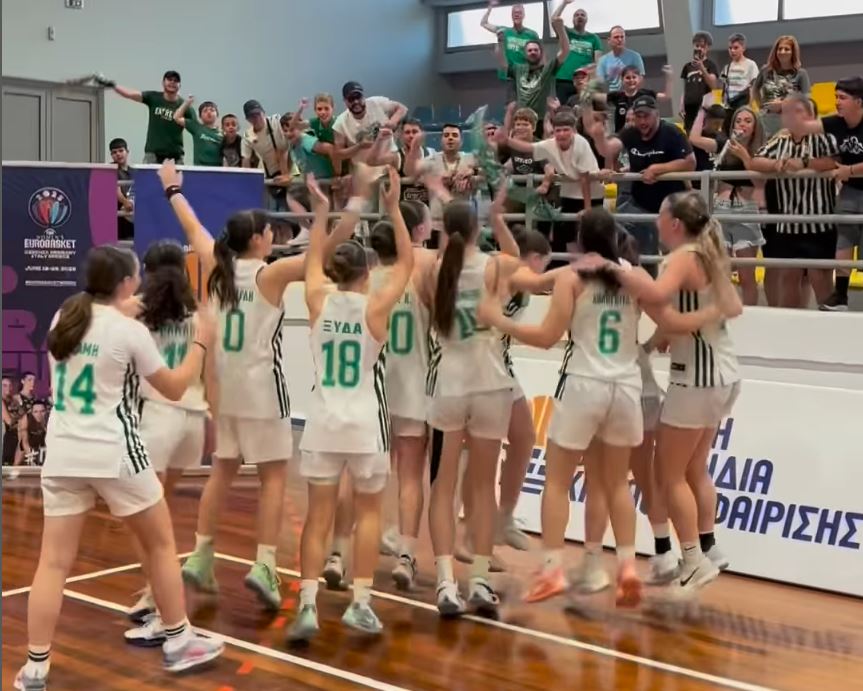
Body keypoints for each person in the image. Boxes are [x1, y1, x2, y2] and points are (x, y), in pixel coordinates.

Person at [481, 209, 731, 604]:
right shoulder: (634, 276)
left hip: (585, 384)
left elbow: (546, 337)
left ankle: (552, 570)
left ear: (580, 240)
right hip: (627, 388)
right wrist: (714, 311)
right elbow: (669, 319)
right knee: (617, 484)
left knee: (557, 481)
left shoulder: (572, 277)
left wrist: (501, 321)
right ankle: (628, 567)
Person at [13, 245, 222, 690]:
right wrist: (201, 341)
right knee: (161, 545)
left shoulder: (64, 317)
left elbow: (105, 322)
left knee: (53, 564)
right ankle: (179, 641)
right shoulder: (129, 332)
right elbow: (174, 388)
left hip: (63, 454)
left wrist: (127, 307)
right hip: (115, 451)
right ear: (126, 282)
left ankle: (34, 668)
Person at [155, 160, 324, 613]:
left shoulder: (217, 265)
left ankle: (202, 553)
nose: (274, 236)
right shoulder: (271, 274)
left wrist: (172, 189)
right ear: (258, 240)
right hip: (264, 392)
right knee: (273, 478)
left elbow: (191, 225)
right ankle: (264, 564)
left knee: (223, 471)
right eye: (270, 231)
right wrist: (324, 214)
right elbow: (323, 255)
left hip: (224, 391)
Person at [288, 167, 413, 641]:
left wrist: (321, 212)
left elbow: (312, 259)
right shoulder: (376, 307)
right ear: (366, 274)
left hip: (322, 422)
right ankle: (360, 603)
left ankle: (306, 604)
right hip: (364, 424)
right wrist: (394, 207)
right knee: (369, 514)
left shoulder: (316, 298)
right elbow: (406, 263)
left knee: (317, 517)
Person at [606, 192, 744, 593]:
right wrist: (658, 339)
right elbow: (722, 308)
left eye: (660, 216)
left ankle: (693, 560)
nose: (655, 222)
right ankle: (709, 546)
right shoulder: (709, 253)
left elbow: (656, 297)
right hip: (725, 373)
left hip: (696, 379)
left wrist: (627, 274)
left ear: (675, 223)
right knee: (695, 468)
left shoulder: (682, 257)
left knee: (669, 476)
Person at [423, 191, 524, 618]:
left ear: (444, 231)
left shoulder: (434, 270)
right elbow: (519, 258)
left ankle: (446, 581)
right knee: (484, 487)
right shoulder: (495, 265)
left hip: (449, 380)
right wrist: (499, 219)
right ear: (476, 230)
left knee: (442, 488)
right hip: (491, 383)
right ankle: (480, 579)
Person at [123, 240, 217, 635]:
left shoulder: (137, 311)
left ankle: (157, 596)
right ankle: (157, 591)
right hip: (193, 418)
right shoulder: (198, 313)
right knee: (161, 512)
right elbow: (210, 373)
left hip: (156, 416)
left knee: (144, 519)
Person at [368, 203, 437, 590]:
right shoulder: (423, 268)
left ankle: (343, 549)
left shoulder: (366, 277)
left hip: (376, 391)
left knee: (369, 472)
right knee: (411, 476)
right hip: (413, 388)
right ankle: (407, 555)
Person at [748, 94, 838, 308]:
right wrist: (775, 165)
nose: (787, 117)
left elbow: (834, 161)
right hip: (788, 224)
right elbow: (755, 160)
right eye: (786, 113)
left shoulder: (824, 138)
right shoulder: (781, 140)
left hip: (819, 223)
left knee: (820, 278)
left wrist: (804, 162)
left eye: (794, 112)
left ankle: (829, 322)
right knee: (788, 276)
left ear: (808, 114)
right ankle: (792, 323)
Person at [589, 95, 696, 261]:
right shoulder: (631, 132)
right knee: (643, 254)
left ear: (657, 114)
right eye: (638, 116)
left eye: (646, 116)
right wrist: (599, 136)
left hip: (672, 206)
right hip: (641, 204)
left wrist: (657, 169)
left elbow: (690, 163)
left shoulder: (671, 132)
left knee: (676, 256)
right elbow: (608, 150)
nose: (642, 121)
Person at [690, 106, 766, 305]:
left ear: (756, 126)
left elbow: (760, 182)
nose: (742, 125)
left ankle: (749, 313)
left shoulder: (762, 149)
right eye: (738, 121)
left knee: (746, 275)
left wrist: (745, 157)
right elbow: (695, 139)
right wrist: (702, 111)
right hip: (721, 208)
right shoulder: (725, 144)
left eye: (748, 121)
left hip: (746, 209)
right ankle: (722, 312)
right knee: (720, 271)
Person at [800, 76, 863, 312]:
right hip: (850, 190)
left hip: (852, 181)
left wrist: (850, 170)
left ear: (859, 101)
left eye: (842, 98)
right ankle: (841, 296)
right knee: (843, 242)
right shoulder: (836, 122)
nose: (837, 102)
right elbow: (806, 127)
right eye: (836, 97)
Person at [504, 110, 598, 264]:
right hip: (549, 195)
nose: (561, 134)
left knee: (571, 236)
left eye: (566, 130)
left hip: (575, 195)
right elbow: (512, 159)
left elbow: (577, 175)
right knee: (558, 235)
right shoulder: (541, 145)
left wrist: (545, 184)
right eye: (558, 130)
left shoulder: (579, 144)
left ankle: (575, 269)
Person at [495, 16, 570, 138]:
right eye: (530, 50)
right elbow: (502, 62)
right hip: (522, 121)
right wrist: (500, 42)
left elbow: (565, 51)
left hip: (540, 120)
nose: (533, 52)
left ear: (540, 52)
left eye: (536, 50)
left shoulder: (548, 68)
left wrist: (561, 29)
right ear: (525, 54)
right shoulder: (518, 69)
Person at [107, 70, 185, 163]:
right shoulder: (154, 97)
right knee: (147, 172)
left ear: (179, 85)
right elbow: (130, 94)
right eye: (169, 79)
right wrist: (113, 85)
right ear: (163, 82)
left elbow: (195, 127)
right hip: (153, 154)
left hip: (175, 156)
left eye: (175, 80)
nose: (172, 82)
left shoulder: (184, 105)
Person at [333, 82, 407, 172]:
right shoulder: (340, 123)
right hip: (364, 171)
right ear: (345, 101)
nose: (356, 102)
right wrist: (359, 146)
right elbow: (338, 154)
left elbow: (402, 108)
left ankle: (397, 158)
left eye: (358, 97)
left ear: (363, 97)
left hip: (388, 163)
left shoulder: (376, 103)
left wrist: (392, 122)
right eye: (351, 99)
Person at [752, 35, 811, 139]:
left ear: (793, 52)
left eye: (786, 49)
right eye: (779, 49)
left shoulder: (801, 73)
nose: (782, 52)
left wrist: (784, 105)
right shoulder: (765, 70)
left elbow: (806, 100)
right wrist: (761, 106)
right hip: (766, 120)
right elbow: (755, 89)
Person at [481, 1, 540, 98]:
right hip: (509, 75)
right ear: (511, 16)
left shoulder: (532, 34)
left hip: (526, 75)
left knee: (527, 102)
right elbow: (484, 23)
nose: (517, 14)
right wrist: (490, 8)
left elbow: (539, 55)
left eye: (519, 12)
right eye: (514, 13)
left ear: (523, 15)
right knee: (511, 104)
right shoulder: (505, 31)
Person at [240, 99, 291, 211]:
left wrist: (286, 174)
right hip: (272, 176)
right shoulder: (247, 136)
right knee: (275, 213)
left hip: (292, 171)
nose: (256, 118)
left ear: (264, 112)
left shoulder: (276, 121)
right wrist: (247, 182)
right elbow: (245, 161)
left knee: (296, 209)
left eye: (258, 114)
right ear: (247, 119)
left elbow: (284, 149)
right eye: (252, 116)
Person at [550, 2, 602, 104]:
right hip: (564, 79)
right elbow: (554, 20)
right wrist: (564, 3)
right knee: (564, 110)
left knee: (584, 109)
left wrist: (588, 72)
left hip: (584, 81)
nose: (580, 16)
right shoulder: (566, 32)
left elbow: (598, 62)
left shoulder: (594, 38)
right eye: (576, 15)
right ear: (573, 19)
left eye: (583, 15)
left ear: (586, 20)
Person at [603, 65, 672, 134]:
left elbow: (666, 96)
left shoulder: (645, 94)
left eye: (634, 77)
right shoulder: (617, 96)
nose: (631, 80)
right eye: (628, 78)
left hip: (641, 135)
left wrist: (669, 77)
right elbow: (598, 99)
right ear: (622, 79)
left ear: (639, 79)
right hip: (622, 135)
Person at [719, 33, 758, 134]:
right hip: (729, 107)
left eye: (736, 48)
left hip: (742, 103)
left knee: (741, 133)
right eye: (730, 48)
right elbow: (724, 87)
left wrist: (749, 106)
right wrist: (723, 103)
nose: (732, 51)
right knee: (727, 133)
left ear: (743, 48)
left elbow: (753, 87)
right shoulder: (727, 67)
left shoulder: (750, 64)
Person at [680, 32, 719, 133]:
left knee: (703, 134)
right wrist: (681, 103)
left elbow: (713, 85)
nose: (699, 49)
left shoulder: (711, 65)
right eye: (697, 46)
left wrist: (701, 67)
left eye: (702, 46)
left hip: (703, 107)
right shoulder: (687, 67)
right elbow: (685, 87)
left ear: (707, 48)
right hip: (689, 107)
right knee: (689, 134)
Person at [173, 97, 224, 167]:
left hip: (217, 169)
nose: (209, 112)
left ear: (217, 115)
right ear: (200, 116)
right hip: (199, 168)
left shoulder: (223, 134)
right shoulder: (196, 127)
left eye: (212, 110)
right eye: (205, 111)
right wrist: (187, 103)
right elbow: (176, 117)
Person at [596, 26, 645, 93]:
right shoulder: (603, 60)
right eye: (616, 37)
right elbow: (600, 83)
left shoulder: (635, 56)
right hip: (612, 96)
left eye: (622, 37)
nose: (620, 39)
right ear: (609, 40)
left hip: (630, 95)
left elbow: (640, 79)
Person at [110, 138, 135, 241]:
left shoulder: (134, 171)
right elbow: (116, 190)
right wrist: (125, 202)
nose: (118, 154)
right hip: (119, 218)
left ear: (127, 152)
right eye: (114, 152)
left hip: (133, 218)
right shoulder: (111, 169)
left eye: (121, 151)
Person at [17, 399, 48, 466]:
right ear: (31, 412)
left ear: (46, 411)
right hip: (30, 438)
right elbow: (24, 441)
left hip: (43, 439)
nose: (39, 414)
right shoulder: (26, 418)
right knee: (18, 459)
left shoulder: (50, 419)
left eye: (42, 411)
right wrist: (30, 454)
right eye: (36, 412)